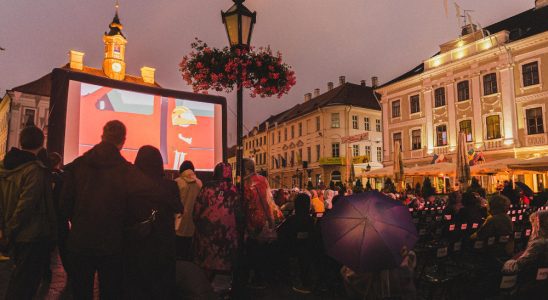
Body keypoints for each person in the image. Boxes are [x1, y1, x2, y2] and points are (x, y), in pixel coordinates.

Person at [60, 120, 154, 299]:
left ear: (102, 136)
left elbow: (64, 207)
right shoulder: (127, 171)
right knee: (111, 292)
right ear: (123, 141)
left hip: (80, 241)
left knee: (80, 293)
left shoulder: (78, 165)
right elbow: (137, 212)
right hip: (113, 245)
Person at [0, 126, 57, 300]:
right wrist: (11, 228)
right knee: (25, 284)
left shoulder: (3, 166)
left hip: (11, 233)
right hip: (31, 234)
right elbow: (26, 206)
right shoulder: (35, 170)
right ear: (42, 143)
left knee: (16, 277)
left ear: (20, 141)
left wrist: (5, 230)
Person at [124, 145, 182, 299]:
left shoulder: (130, 186)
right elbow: (178, 208)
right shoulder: (170, 187)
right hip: (163, 247)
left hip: (137, 247)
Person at [193, 162, 240, 281]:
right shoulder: (234, 190)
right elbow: (240, 214)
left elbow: (196, 212)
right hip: (227, 239)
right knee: (225, 274)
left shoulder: (207, 188)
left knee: (205, 273)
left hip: (207, 238)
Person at [242, 158, 282, 288]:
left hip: (254, 222)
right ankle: (267, 277)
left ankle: (257, 279)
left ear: (246, 169)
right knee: (265, 251)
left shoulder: (246, 183)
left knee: (254, 251)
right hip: (266, 219)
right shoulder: (263, 180)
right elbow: (269, 200)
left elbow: (246, 204)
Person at [278, 193, 319, 294]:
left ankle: (298, 283)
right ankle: (306, 282)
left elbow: (280, 232)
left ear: (296, 205)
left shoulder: (292, 220)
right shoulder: (311, 220)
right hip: (308, 251)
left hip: (293, 251)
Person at [174, 160, 202, 260]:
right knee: (190, 257)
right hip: (193, 225)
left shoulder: (177, 182)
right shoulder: (199, 183)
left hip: (178, 225)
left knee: (178, 256)